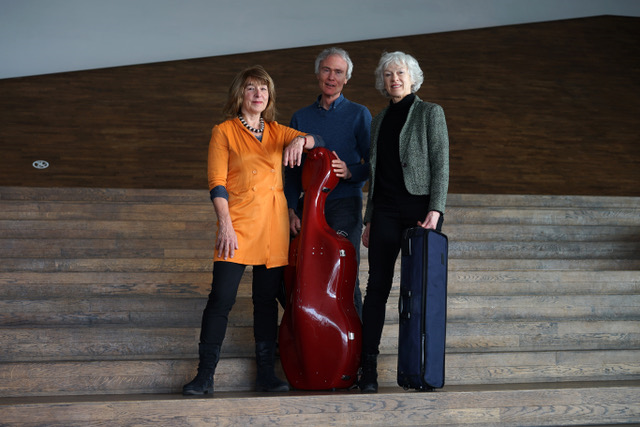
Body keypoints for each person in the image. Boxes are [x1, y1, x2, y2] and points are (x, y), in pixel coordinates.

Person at [183, 65, 318, 396]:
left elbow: (316, 140)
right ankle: (204, 376)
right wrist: (224, 224)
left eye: (264, 89)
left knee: (266, 302)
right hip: (238, 225)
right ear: (239, 95)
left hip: (273, 227)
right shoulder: (224, 131)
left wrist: (302, 141)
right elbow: (216, 183)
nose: (258, 95)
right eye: (251, 89)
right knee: (221, 298)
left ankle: (266, 376)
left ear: (269, 96)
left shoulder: (276, 131)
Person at [358, 51, 450, 393]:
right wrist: (368, 219)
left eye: (399, 73)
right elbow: (374, 173)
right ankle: (368, 367)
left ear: (412, 78)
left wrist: (436, 209)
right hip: (384, 212)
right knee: (376, 288)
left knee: (422, 292)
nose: (393, 79)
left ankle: (421, 366)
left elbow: (441, 164)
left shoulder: (430, 113)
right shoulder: (378, 119)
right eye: (387, 75)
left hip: (419, 212)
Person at [285, 47, 372, 317]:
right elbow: (290, 171)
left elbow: (373, 164)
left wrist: (350, 173)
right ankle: (306, 333)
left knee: (345, 274)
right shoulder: (300, 118)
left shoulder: (360, 114)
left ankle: (356, 350)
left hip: (344, 204)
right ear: (317, 74)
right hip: (307, 205)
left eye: (338, 72)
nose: (331, 77)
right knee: (287, 274)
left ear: (347, 78)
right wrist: (289, 209)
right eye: (326, 70)